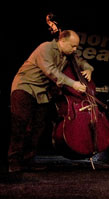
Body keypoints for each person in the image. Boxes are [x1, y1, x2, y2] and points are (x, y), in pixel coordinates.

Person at [6, 30, 93, 179]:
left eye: (76, 47)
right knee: (20, 124)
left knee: (38, 127)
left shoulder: (69, 55)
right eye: (72, 46)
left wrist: (89, 69)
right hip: (25, 87)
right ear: (62, 41)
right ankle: (13, 162)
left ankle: (28, 160)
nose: (74, 50)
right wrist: (74, 84)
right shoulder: (45, 48)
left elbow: (82, 62)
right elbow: (51, 71)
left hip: (42, 93)